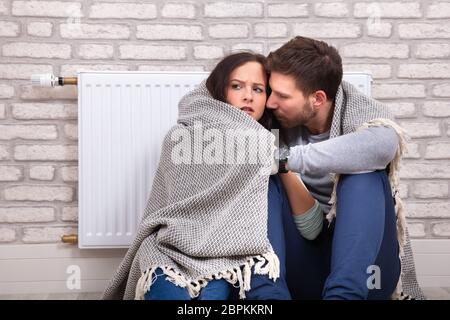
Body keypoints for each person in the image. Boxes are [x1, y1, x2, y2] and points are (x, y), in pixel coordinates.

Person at [101, 52, 320, 300]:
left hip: (228, 258)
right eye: (237, 86)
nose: (248, 95)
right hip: (171, 250)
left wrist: (279, 161)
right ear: (219, 91)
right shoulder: (180, 137)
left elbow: (312, 227)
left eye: (258, 89)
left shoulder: (269, 147)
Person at [266, 36, 425, 300]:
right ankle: (269, 296)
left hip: (367, 272)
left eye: (282, 96)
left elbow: (384, 145)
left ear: (317, 98)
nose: (271, 102)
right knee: (265, 176)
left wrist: (282, 160)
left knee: (363, 174)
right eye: (271, 91)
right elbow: (207, 99)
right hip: (302, 263)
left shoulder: (359, 110)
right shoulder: (271, 114)